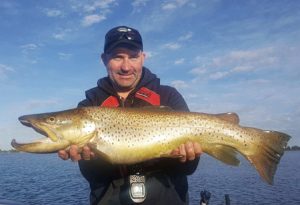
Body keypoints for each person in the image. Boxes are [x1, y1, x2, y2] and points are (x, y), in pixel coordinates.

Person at [58, 25, 202, 205]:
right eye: (118, 57)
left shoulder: (169, 96)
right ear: (104, 59)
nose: (126, 67)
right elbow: (91, 176)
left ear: (143, 58)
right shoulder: (89, 105)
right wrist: (89, 159)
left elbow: (189, 169)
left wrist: (187, 157)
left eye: (133, 57)